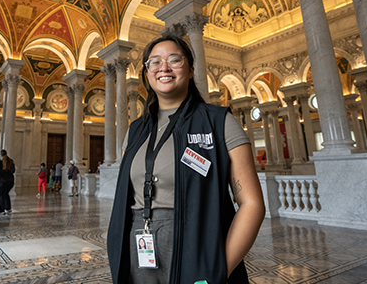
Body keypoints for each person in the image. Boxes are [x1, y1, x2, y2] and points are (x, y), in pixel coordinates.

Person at [107, 34, 265, 283]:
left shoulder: (218, 122)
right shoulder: (135, 130)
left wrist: (218, 271)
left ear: (191, 70)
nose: (164, 68)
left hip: (197, 246)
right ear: (146, 72)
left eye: (174, 60)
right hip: (140, 247)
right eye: (155, 62)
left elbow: (252, 204)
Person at [0, 149, 15, 215]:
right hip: (10, 181)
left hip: (3, 181)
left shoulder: (1, 162)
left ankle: (1, 209)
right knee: (6, 194)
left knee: (2, 195)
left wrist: (3, 172)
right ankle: (8, 208)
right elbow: (13, 171)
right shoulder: (11, 161)